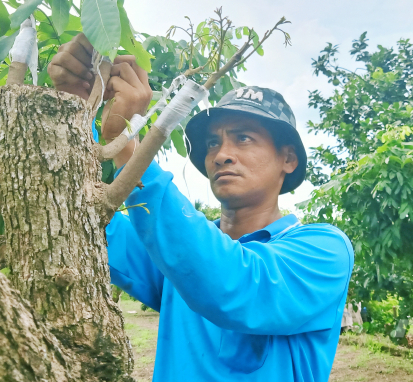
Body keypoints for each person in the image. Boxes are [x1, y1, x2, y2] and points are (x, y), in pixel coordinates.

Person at [48, 34, 354, 382]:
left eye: (243, 138)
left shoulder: (324, 250)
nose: (221, 154)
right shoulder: (173, 253)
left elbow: (233, 284)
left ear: (288, 159)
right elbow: (73, 220)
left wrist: (128, 146)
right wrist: (72, 107)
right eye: (212, 142)